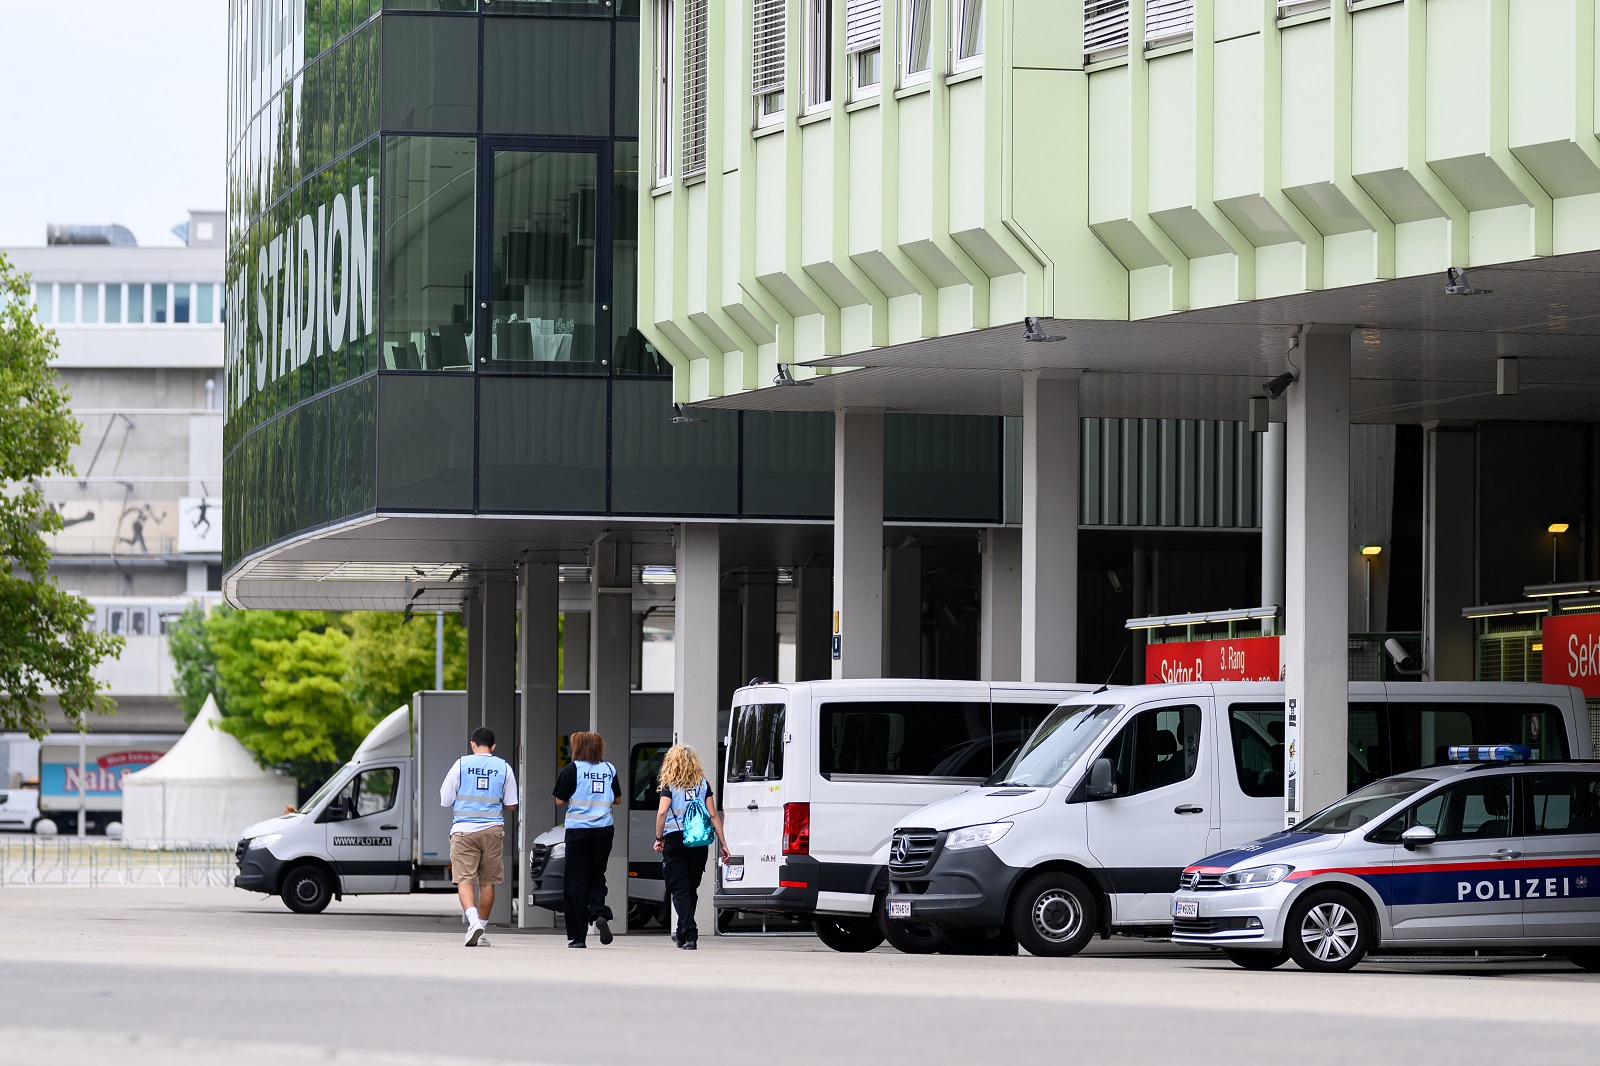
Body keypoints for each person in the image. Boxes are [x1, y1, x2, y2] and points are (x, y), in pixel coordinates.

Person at [439, 726, 518, 948]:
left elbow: (445, 799)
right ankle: (481, 931)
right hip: (492, 830)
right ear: (493, 747)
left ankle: (473, 923)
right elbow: (512, 804)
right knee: (488, 882)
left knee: (464, 880)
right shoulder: (503, 767)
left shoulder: (461, 764)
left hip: (463, 830)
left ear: (472, 745)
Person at [652, 744, 728, 950]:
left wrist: (659, 838)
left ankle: (691, 934)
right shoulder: (703, 784)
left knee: (679, 889)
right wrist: (723, 844)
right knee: (689, 889)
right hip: (699, 842)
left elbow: (661, 813)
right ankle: (682, 932)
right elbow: (713, 816)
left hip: (675, 841)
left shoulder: (670, 785)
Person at [553, 731, 622, 948]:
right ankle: (599, 912)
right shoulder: (609, 769)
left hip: (578, 832)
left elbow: (559, 800)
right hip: (603, 832)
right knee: (597, 875)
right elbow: (617, 799)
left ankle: (577, 937)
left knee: (575, 882)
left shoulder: (572, 769)